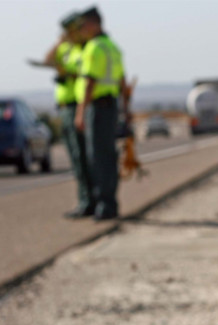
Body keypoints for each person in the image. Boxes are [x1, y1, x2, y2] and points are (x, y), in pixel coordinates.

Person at [74, 7, 129, 220]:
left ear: (94, 24)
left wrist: (80, 112)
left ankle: (104, 205)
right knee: (107, 155)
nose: (81, 30)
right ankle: (109, 203)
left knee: (97, 158)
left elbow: (89, 82)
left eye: (83, 25)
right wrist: (126, 108)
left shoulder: (94, 48)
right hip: (111, 105)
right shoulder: (112, 47)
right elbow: (123, 81)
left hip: (97, 107)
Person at [44, 11, 96, 219]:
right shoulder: (65, 48)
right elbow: (47, 60)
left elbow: (87, 76)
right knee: (76, 158)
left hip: (77, 106)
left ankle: (89, 201)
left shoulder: (82, 49)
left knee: (83, 157)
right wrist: (58, 42)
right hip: (64, 107)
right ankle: (85, 200)